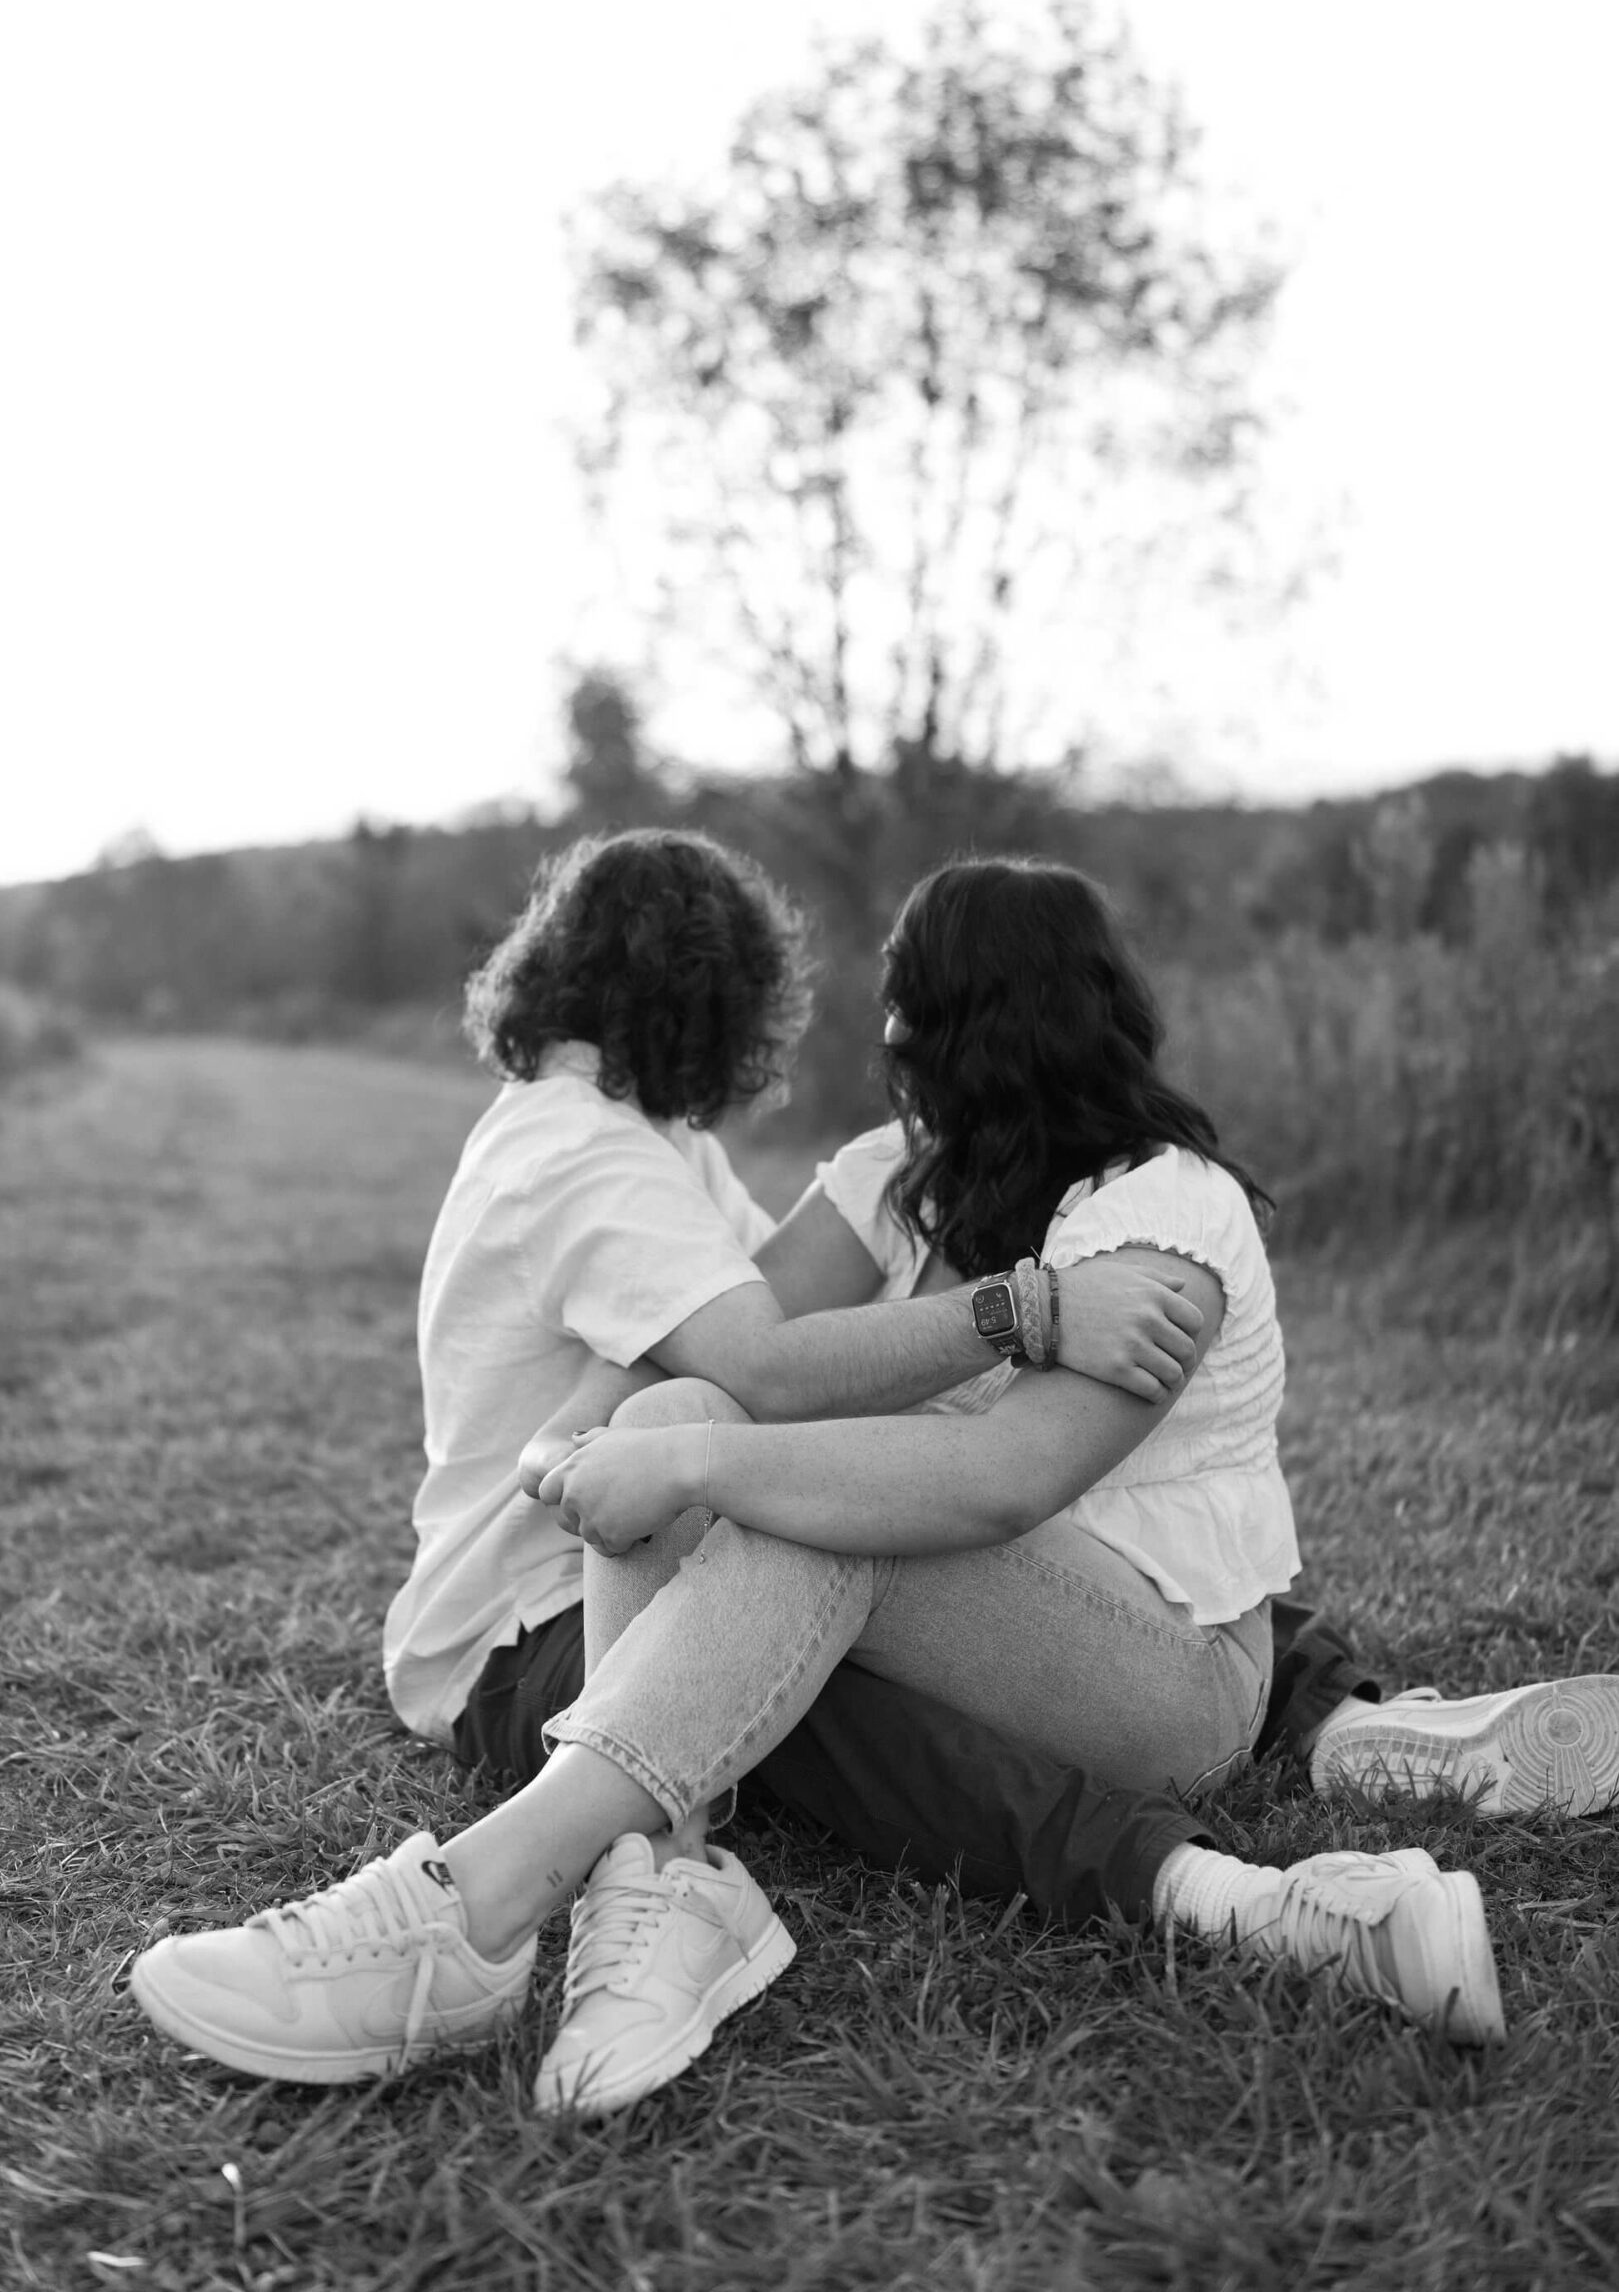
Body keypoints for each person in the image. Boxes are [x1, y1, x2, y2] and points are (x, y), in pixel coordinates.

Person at [130, 836, 1619, 2111]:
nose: (882, 1037)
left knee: (818, 1502)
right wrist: (639, 1441)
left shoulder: (1164, 1221)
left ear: (978, 1024)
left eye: (906, 1007)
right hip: (1015, 1618)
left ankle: (487, 1899)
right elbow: (737, 1362)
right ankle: (647, 1877)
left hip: (1164, 1677)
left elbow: (990, 1490)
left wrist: (717, 1458)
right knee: (743, 1448)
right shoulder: (896, 1172)